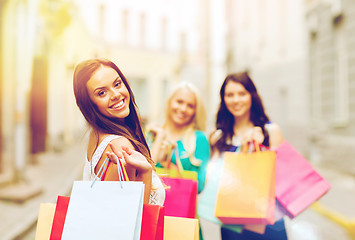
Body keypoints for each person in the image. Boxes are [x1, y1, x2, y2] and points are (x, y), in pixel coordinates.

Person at [73, 58, 165, 206]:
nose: (115, 94)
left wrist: (159, 138)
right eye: (102, 93)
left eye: (117, 84)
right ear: (89, 104)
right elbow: (130, 217)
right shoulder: (118, 144)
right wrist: (146, 174)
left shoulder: (97, 134)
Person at [209, 72, 287, 239]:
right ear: (223, 99)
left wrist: (261, 149)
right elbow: (212, 181)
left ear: (252, 96)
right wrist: (242, 153)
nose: (236, 100)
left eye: (242, 93)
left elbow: (282, 179)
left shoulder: (271, 131)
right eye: (229, 95)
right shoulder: (218, 137)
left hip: (268, 222)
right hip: (232, 221)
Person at [145, 82, 210, 194]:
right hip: (151, 206)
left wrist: (169, 165)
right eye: (179, 102)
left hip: (181, 208)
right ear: (170, 102)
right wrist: (159, 138)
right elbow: (140, 177)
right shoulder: (152, 134)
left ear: (195, 111)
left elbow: (199, 186)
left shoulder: (199, 139)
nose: (183, 109)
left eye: (190, 106)